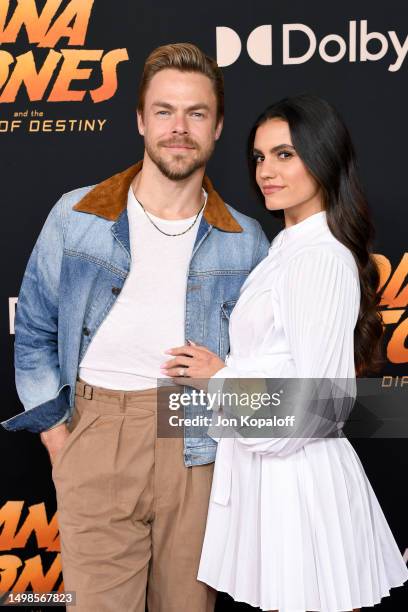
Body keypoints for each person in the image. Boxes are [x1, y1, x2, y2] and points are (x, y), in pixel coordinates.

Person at [1, 43, 270, 611]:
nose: (179, 128)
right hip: (97, 432)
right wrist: (58, 441)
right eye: (165, 111)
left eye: (196, 113)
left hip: (197, 438)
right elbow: (33, 335)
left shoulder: (246, 241)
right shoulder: (77, 217)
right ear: (141, 120)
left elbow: (268, 364)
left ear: (218, 126)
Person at [161, 94, 408, 611]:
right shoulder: (288, 247)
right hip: (274, 481)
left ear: (322, 158)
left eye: (284, 155)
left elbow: (317, 407)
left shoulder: (318, 258)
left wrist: (220, 378)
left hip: (298, 489)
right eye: (258, 157)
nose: (265, 172)